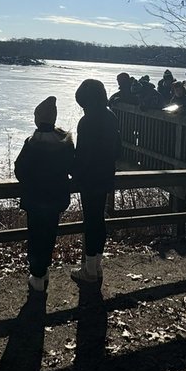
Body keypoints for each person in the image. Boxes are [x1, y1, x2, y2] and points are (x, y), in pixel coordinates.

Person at [14, 95, 75, 293]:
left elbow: (20, 170)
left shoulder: (32, 143)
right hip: (56, 198)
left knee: (35, 236)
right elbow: (72, 167)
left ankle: (37, 276)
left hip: (35, 198)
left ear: (38, 119)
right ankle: (44, 270)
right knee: (49, 235)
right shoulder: (65, 142)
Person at [71, 78, 122, 285]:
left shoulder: (87, 121)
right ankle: (97, 266)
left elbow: (83, 154)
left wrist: (74, 171)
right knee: (99, 220)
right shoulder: (111, 116)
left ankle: (89, 270)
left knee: (91, 221)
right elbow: (118, 149)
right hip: (106, 175)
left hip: (90, 178)